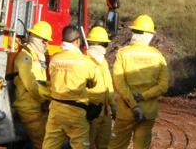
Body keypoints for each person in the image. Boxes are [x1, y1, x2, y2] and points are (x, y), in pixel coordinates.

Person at [109, 14, 169, 149]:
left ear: (134, 32)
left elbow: (119, 84)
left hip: (126, 111)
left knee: (116, 145)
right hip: (148, 112)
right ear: (149, 35)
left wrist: (134, 105)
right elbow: (163, 86)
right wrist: (143, 96)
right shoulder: (158, 56)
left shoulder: (123, 54)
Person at [43, 25, 103, 149]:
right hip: (76, 112)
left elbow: (52, 79)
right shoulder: (85, 62)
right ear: (77, 41)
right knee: (80, 145)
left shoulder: (54, 59)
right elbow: (96, 82)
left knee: (50, 145)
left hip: (56, 110)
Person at [14, 21, 53, 149]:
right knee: (43, 142)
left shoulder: (36, 56)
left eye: (48, 41)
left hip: (37, 106)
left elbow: (41, 82)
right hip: (28, 107)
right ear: (35, 38)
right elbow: (31, 85)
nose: (46, 44)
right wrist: (50, 95)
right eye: (44, 40)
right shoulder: (25, 57)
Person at [86, 26, 116, 149]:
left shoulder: (103, 61)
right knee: (88, 144)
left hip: (105, 112)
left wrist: (112, 104)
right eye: (105, 44)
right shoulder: (85, 61)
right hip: (91, 112)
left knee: (104, 144)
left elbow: (108, 84)